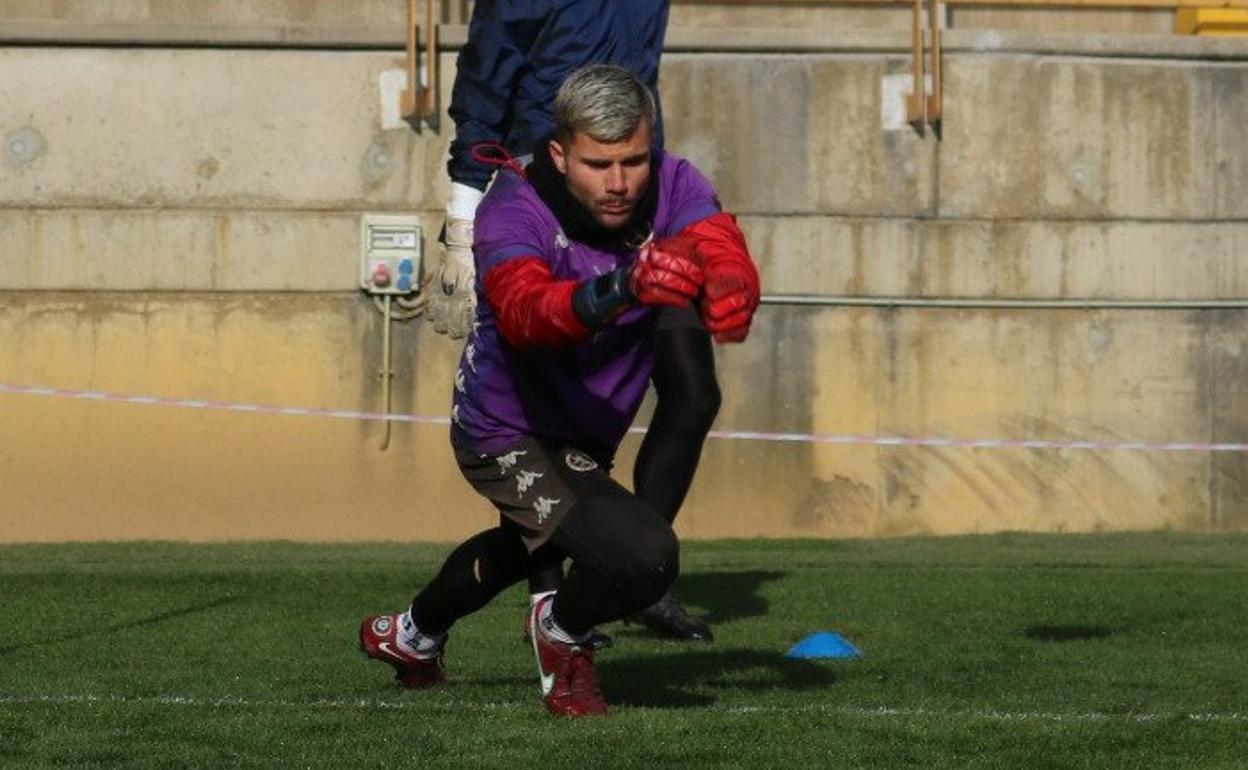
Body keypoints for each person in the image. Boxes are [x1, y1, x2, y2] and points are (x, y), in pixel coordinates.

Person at [361, 65, 760, 717]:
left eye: (633, 160)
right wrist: (622, 287)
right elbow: (527, 313)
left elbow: (718, 242)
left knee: (523, 549)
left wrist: (735, 282)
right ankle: (561, 631)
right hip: (505, 434)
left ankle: (410, 635)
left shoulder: (676, 181)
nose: (620, 182)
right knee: (644, 558)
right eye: (599, 164)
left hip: (580, 435)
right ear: (559, 152)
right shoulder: (513, 207)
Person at [425, 0, 723, 641]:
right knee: (552, 416)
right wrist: (463, 212)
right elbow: (487, 69)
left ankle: (636, 572)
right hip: (553, 204)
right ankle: (558, 595)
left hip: (636, 208)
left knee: (694, 392)